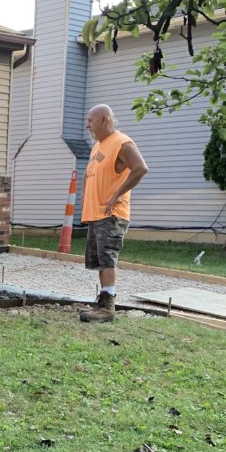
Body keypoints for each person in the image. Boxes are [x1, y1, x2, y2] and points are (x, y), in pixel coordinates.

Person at [80, 104, 148, 323]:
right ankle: (103, 302)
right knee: (100, 261)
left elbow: (140, 168)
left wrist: (117, 194)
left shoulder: (122, 143)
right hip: (96, 214)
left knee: (108, 259)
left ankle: (108, 308)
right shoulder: (98, 147)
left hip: (111, 215)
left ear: (105, 120)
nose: (87, 124)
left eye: (91, 120)